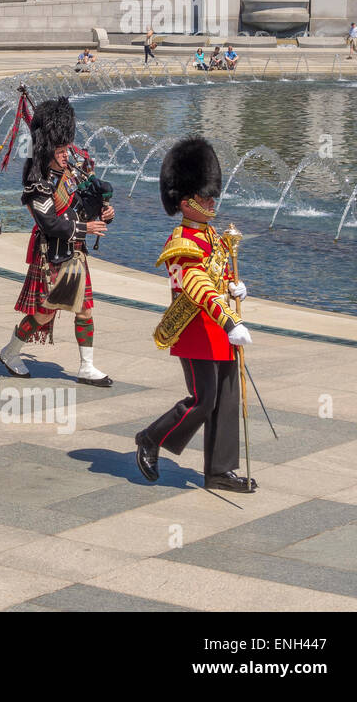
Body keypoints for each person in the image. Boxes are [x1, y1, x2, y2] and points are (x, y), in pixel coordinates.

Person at [135, 138, 256, 493]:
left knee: (226, 399)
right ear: (185, 201)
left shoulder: (212, 236)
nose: (211, 201)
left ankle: (220, 470)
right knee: (203, 401)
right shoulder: (180, 243)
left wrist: (235, 286)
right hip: (195, 329)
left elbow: (218, 276)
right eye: (205, 197)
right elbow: (197, 286)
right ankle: (151, 437)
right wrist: (231, 320)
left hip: (219, 330)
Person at [0, 97, 114, 387]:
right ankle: (10, 352)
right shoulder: (37, 182)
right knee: (43, 314)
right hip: (51, 254)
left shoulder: (71, 174)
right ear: (48, 148)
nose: (66, 154)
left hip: (75, 253)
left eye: (66, 148)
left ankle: (87, 365)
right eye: (60, 150)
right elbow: (49, 223)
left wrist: (104, 214)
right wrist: (86, 227)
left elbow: (81, 209)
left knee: (85, 310)